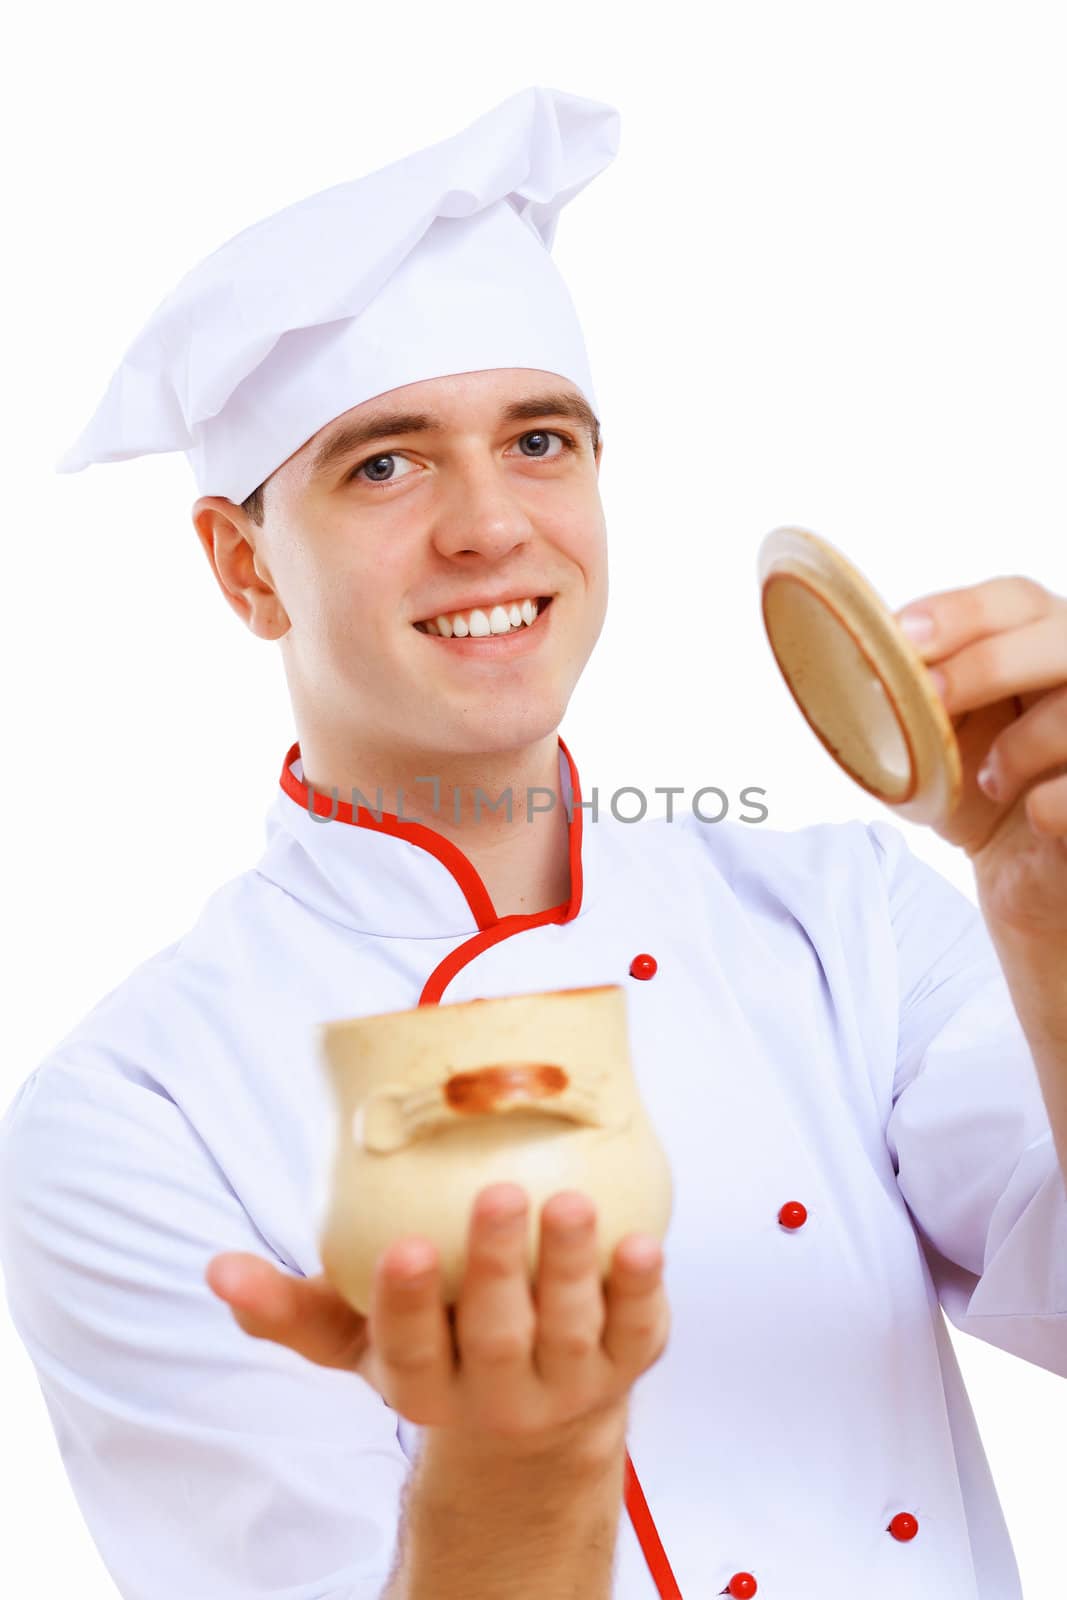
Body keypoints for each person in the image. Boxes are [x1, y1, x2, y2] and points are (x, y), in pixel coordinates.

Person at [2, 83, 1067, 1600]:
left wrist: (1045, 924)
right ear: (246, 570)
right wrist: (525, 1459)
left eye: (543, 440)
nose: (493, 525)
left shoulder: (848, 919)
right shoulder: (130, 1113)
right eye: (387, 462)